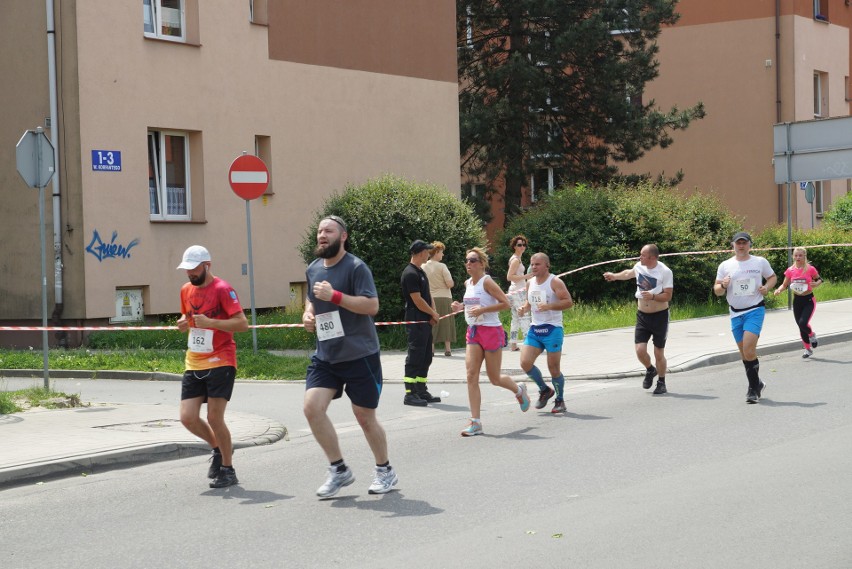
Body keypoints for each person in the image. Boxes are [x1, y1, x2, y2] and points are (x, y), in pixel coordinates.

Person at [302, 215, 398, 497]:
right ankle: (339, 470)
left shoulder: (356, 267)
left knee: (364, 417)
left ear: (342, 236)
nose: (322, 235)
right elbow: (310, 300)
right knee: (311, 408)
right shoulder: (313, 268)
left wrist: (336, 297)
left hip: (359, 354)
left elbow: (372, 305)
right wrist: (308, 315)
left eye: (328, 231)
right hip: (327, 354)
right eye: (319, 231)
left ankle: (385, 471)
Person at [176, 245, 249, 489]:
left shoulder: (223, 289)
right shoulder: (186, 290)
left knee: (214, 417)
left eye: (193, 269)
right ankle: (218, 448)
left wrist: (211, 323)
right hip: (194, 359)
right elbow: (189, 318)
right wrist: (184, 324)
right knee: (187, 418)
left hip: (221, 359)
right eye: (187, 270)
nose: (189, 274)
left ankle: (228, 470)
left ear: (207, 266)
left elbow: (241, 324)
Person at [451, 247, 531, 436]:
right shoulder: (468, 283)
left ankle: (519, 389)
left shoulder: (487, 282)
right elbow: (472, 305)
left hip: (491, 331)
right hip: (474, 331)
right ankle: (476, 422)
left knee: (494, 378)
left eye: (472, 260)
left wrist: (483, 311)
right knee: (471, 375)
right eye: (467, 261)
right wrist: (460, 307)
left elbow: (506, 303)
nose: (468, 264)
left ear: (481, 263)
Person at [603, 244, 674, 395]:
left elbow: (668, 295)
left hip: (660, 316)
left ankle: (661, 382)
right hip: (642, 314)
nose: (639, 257)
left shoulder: (665, 272)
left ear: (652, 258)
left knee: (658, 353)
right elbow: (628, 273)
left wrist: (654, 296)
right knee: (640, 350)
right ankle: (650, 370)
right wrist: (614, 276)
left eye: (642, 255)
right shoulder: (639, 266)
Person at [714, 231, 777, 404]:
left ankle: (752, 390)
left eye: (744, 243)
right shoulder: (725, 265)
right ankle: (758, 383)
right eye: (738, 243)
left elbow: (772, 277)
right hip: (735, 312)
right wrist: (723, 285)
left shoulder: (759, 262)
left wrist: (767, 287)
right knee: (744, 353)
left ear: (750, 245)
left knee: (749, 349)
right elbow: (717, 290)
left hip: (755, 310)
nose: (741, 246)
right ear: (733, 245)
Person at [518, 253, 574, 413]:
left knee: (553, 368)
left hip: (553, 329)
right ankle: (544, 390)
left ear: (546, 265)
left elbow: (568, 302)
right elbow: (529, 302)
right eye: (532, 264)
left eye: (537, 264)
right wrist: (524, 308)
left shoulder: (555, 281)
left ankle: (560, 400)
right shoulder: (530, 283)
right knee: (525, 363)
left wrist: (549, 306)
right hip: (535, 329)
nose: (533, 267)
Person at [401, 240, 441, 406]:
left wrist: (433, 313)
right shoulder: (410, 273)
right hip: (416, 319)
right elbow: (416, 300)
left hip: (424, 320)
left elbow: (427, 295)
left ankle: (420, 389)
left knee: (425, 357)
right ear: (419, 252)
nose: (428, 253)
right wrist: (432, 313)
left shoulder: (420, 271)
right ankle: (409, 393)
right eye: (426, 251)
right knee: (415, 357)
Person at [774, 246, 823, 358]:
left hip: (809, 300)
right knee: (800, 326)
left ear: (804, 256)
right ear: (793, 256)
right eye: (796, 255)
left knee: (803, 323)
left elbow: (819, 279)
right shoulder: (790, 270)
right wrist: (779, 290)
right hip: (797, 301)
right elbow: (785, 284)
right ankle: (807, 349)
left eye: (800, 255)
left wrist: (817, 283)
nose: (798, 257)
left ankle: (812, 335)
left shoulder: (810, 269)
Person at [422, 241, 456, 357]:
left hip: (429, 298)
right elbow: (450, 284)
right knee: (446, 323)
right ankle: (448, 349)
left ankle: (431, 350)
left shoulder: (423, 266)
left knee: (432, 322)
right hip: (444, 297)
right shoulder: (442, 266)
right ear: (436, 252)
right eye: (441, 252)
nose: (442, 255)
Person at [506, 234, 532, 351]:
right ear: (514, 247)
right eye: (519, 245)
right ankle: (528, 342)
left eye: (524, 245)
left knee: (515, 318)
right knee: (524, 315)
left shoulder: (516, 259)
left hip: (516, 290)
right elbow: (509, 276)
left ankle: (513, 343)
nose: (522, 247)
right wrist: (526, 276)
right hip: (517, 291)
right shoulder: (515, 260)